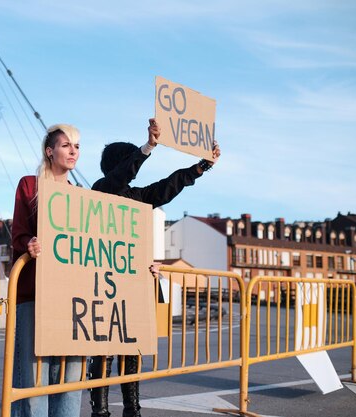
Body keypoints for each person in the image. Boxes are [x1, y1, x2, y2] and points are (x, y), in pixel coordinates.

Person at [88, 118, 221, 417]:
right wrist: (147, 148)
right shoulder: (100, 189)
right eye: (130, 160)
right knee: (103, 349)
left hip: (134, 282)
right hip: (105, 283)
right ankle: (100, 411)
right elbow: (120, 177)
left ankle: (132, 409)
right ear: (122, 165)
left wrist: (201, 166)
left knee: (130, 347)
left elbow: (167, 187)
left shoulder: (136, 197)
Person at [11, 124, 84, 417]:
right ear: (49, 151)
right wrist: (29, 242)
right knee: (34, 377)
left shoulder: (82, 196)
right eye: (66, 145)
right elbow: (18, 232)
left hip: (73, 299)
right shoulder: (30, 185)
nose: (73, 151)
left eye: (77, 146)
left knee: (70, 378)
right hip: (35, 292)